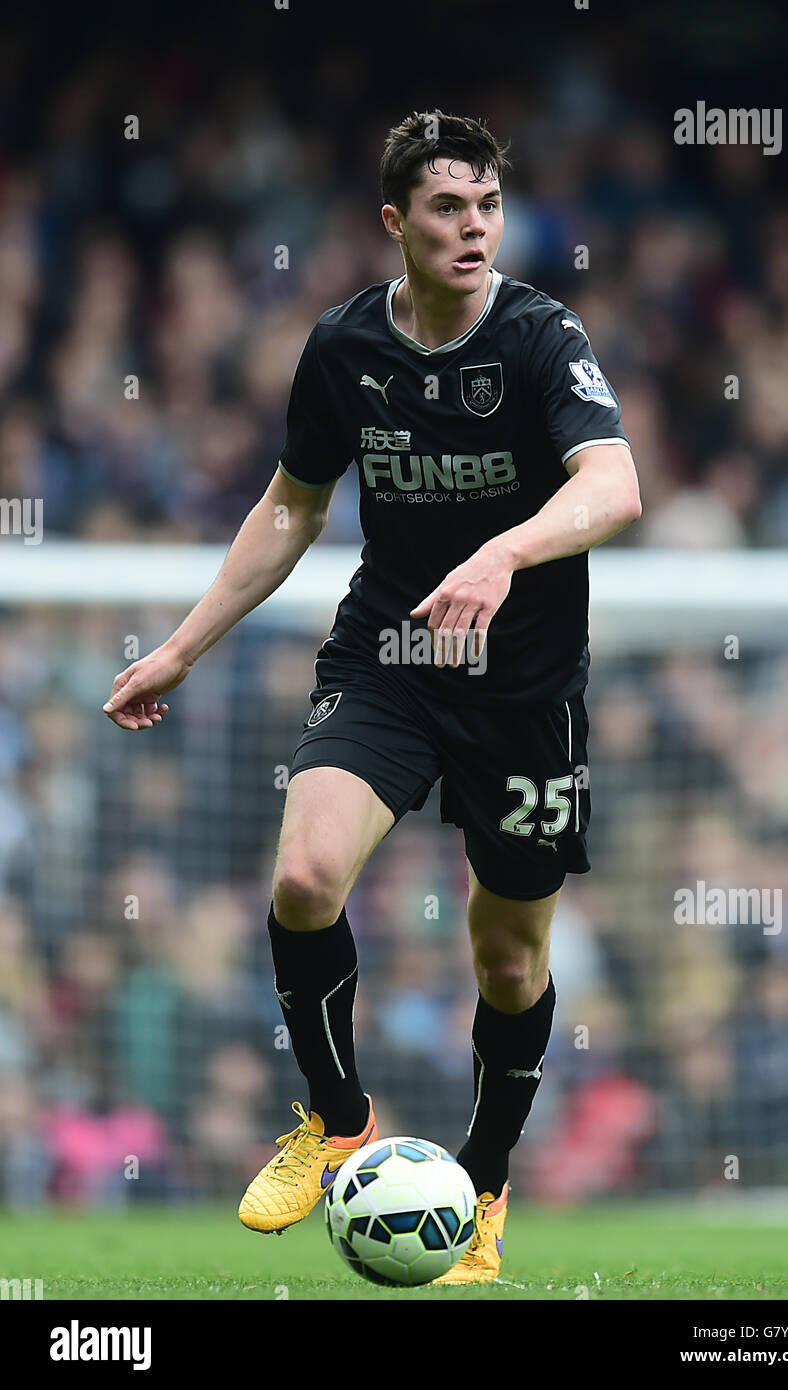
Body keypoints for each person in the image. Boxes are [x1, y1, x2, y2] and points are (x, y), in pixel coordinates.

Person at [103, 110, 641, 1284]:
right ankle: (335, 1117)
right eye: (448, 208)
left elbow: (614, 486)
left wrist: (505, 552)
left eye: (488, 205)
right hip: (390, 659)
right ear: (394, 221)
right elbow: (291, 505)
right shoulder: (343, 346)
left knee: (507, 962)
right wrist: (183, 646)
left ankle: (484, 1185)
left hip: (526, 693)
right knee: (302, 876)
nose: (474, 228)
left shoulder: (546, 337)